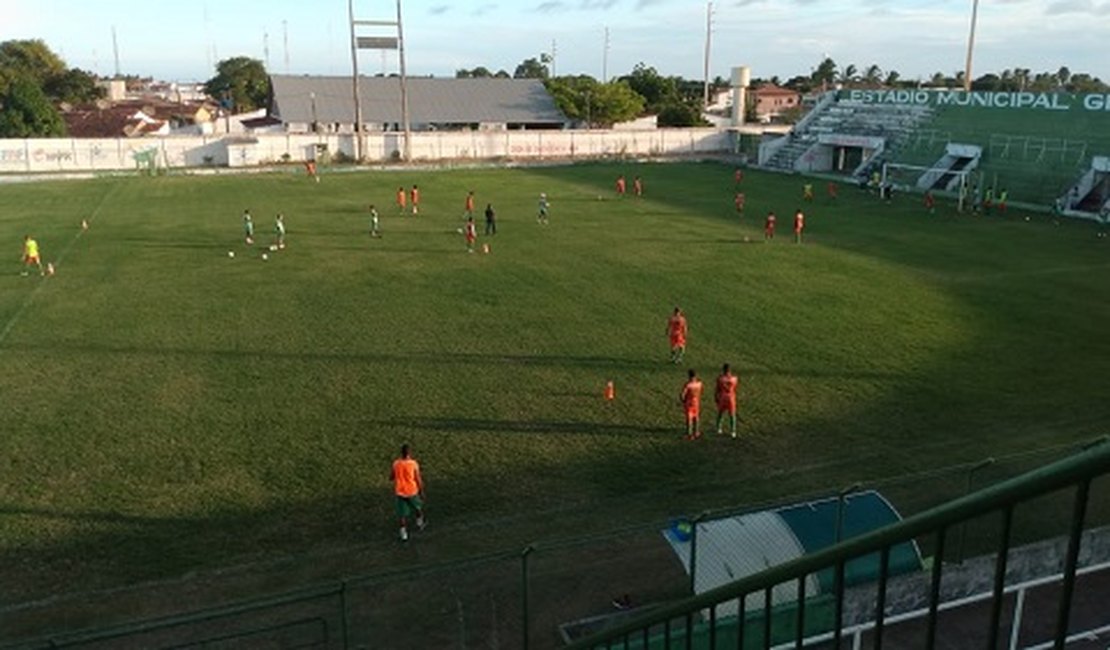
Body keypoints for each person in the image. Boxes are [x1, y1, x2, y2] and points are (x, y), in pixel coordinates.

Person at [390, 443, 426, 542]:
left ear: (401, 453)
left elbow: (391, 477)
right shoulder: (413, 464)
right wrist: (422, 491)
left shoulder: (396, 464)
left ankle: (403, 533)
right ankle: (420, 522)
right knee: (418, 507)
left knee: (402, 514)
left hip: (400, 492)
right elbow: (418, 479)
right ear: (410, 453)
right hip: (412, 491)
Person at [715, 363, 739, 438]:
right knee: (732, 415)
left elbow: (717, 389)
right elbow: (735, 388)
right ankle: (733, 431)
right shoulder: (735, 378)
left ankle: (719, 428)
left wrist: (716, 397)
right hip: (731, 397)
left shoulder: (720, 379)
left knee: (720, 413)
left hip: (723, 397)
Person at [680, 369, 704, 440]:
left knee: (689, 418)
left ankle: (689, 434)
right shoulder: (699, 384)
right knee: (696, 417)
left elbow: (682, 395)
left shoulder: (688, 385)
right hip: (696, 402)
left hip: (689, 403)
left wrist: (683, 401)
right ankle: (696, 432)